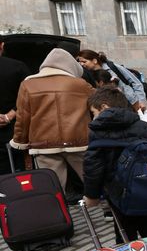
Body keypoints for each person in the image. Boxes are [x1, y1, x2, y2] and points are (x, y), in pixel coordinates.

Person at [82, 87, 147, 251]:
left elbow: (93, 167)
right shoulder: (142, 126)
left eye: (94, 112)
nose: (94, 117)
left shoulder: (98, 132)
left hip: (118, 193)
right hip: (145, 188)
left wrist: (92, 195)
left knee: (124, 230)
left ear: (104, 107)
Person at [10, 48, 93, 189]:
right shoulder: (81, 84)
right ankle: (107, 208)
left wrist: (20, 141)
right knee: (94, 181)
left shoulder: (28, 85)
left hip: (43, 144)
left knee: (53, 189)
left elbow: (23, 117)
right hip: (80, 141)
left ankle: (56, 210)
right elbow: (100, 107)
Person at [0, 36, 32, 175]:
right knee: (15, 172)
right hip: (13, 129)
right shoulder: (18, 66)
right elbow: (30, 96)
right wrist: (9, 115)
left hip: (12, 128)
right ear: (2, 45)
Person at [77, 50, 147, 111]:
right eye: (80, 62)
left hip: (132, 102)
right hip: (115, 107)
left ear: (94, 61)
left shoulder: (112, 67)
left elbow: (135, 82)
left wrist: (141, 101)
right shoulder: (88, 75)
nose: (82, 64)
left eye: (84, 61)